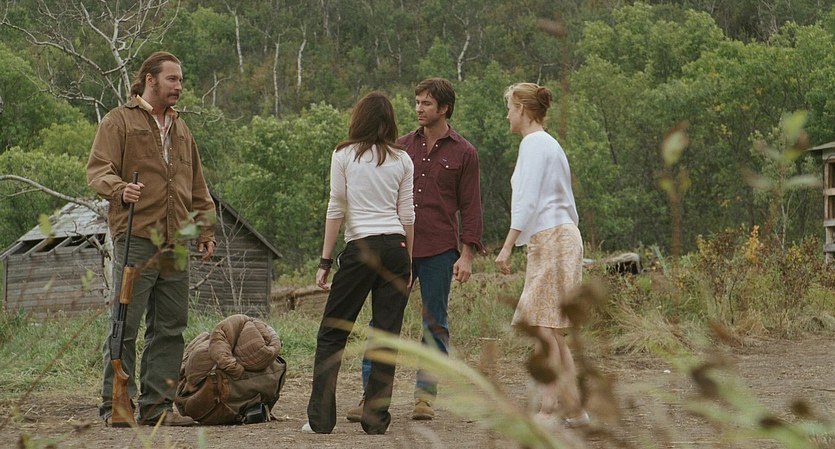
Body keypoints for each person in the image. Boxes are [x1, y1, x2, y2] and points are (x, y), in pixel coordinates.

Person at [87, 51, 216, 427]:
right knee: (125, 323)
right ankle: (115, 406)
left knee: (170, 327)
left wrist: (205, 229)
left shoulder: (182, 129)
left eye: (181, 80)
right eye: (172, 79)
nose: (179, 86)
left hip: (176, 241)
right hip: (136, 236)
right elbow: (98, 170)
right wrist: (119, 188)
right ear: (150, 79)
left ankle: (157, 409)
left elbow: (197, 186)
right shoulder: (119, 121)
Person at [347, 78, 485, 422]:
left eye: (426, 103)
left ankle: (425, 398)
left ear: (444, 108)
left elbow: (471, 206)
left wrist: (467, 254)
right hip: (397, 247)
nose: (419, 108)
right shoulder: (400, 147)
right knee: (383, 321)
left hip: (440, 249)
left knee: (435, 323)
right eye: (417, 102)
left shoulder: (464, 152)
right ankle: (372, 398)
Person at [302, 91, 415, 435]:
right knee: (386, 336)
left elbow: (336, 207)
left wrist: (325, 260)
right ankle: (375, 419)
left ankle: (321, 420)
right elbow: (407, 214)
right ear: (390, 121)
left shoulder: (344, 155)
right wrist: (409, 262)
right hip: (395, 247)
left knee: (333, 333)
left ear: (358, 119)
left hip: (361, 247)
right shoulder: (402, 159)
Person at [494, 82, 589, 428]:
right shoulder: (547, 144)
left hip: (553, 238)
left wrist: (507, 245)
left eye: (509, 108)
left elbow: (528, 200)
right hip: (557, 237)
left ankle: (549, 409)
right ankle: (575, 409)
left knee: (544, 328)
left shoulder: (534, 143)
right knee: (549, 328)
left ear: (521, 109)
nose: (507, 115)